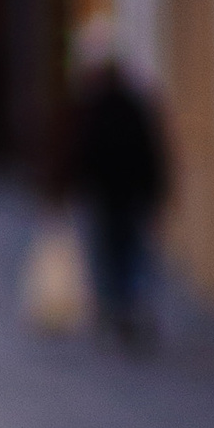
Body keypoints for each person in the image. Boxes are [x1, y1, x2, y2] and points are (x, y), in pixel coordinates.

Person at [62, 48, 173, 347]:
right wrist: (157, 191)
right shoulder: (134, 108)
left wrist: (74, 186)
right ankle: (131, 307)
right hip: (131, 194)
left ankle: (113, 309)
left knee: (107, 254)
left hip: (105, 195)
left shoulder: (94, 109)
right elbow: (152, 152)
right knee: (132, 253)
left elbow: (81, 154)